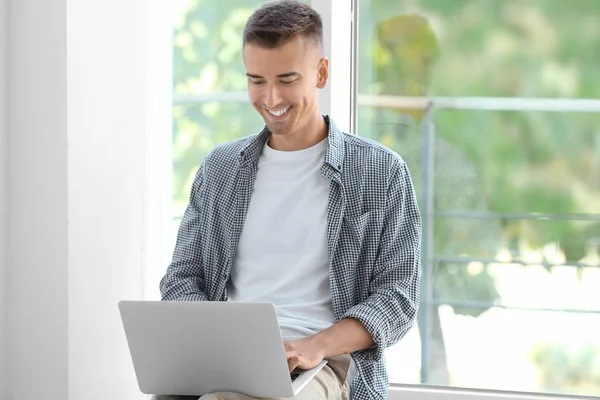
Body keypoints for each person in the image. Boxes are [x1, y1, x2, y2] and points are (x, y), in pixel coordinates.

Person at [155, 1, 422, 399]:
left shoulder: (379, 172)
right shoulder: (221, 169)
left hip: (326, 364)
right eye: (256, 80)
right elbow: (180, 279)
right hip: (230, 358)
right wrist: (222, 338)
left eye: (286, 78)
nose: (271, 97)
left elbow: (398, 297)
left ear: (321, 73)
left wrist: (315, 346)